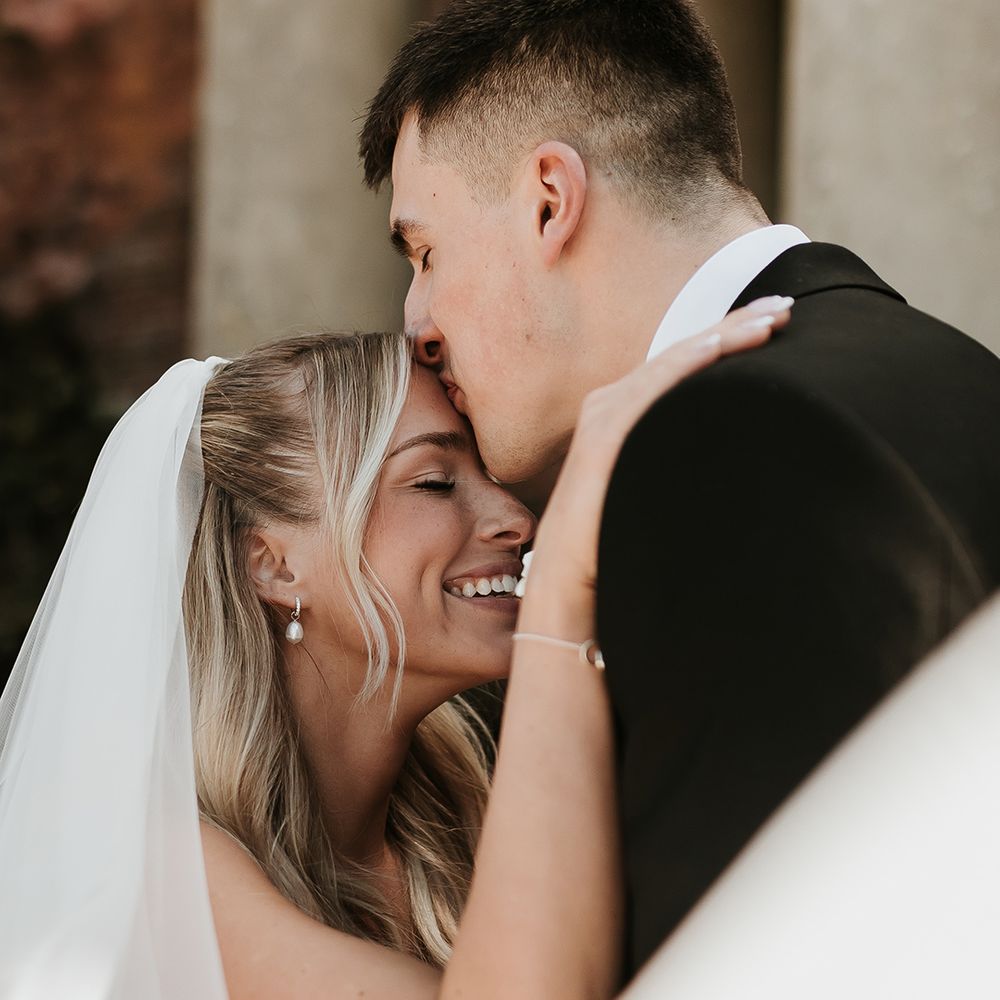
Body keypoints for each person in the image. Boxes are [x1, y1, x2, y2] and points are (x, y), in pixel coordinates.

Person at [359, 0, 1000, 978]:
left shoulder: (724, 452)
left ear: (547, 200)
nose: (417, 319)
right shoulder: (947, 369)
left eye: (425, 252)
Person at [0, 312, 783, 999]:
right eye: (435, 482)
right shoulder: (156, 870)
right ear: (273, 564)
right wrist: (560, 614)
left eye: (496, 475)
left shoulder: (457, 823)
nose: (516, 517)